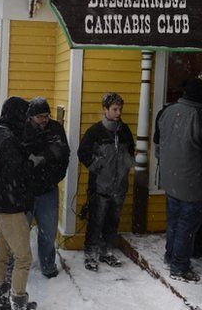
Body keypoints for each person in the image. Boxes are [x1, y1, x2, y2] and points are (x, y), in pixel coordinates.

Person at [156, 79, 202, 283]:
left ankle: (171, 256)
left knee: (174, 221)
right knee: (187, 225)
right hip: (192, 183)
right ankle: (179, 266)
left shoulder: (166, 111)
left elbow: (158, 145)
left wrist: (169, 166)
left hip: (170, 180)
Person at [0, 96, 38, 310]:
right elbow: (16, 172)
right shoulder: (7, 138)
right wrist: (33, 162)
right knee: (23, 257)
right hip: (11, 206)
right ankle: (19, 301)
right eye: (25, 115)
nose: (27, 120)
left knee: (2, 253)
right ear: (17, 114)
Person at [77, 92, 135, 272]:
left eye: (120, 109)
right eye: (115, 109)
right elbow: (83, 152)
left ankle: (107, 251)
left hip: (119, 186)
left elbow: (131, 151)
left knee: (113, 221)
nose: (118, 113)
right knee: (96, 220)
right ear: (105, 110)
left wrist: (127, 165)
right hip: (100, 186)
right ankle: (91, 253)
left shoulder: (124, 130)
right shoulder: (95, 131)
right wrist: (97, 166)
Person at [23, 97, 70, 279]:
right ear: (31, 117)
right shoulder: (23, 130)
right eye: (41, 116)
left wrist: (56, 175)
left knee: (48, 232)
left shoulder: (55, 129)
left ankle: (48, 265)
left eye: (47, 115)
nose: (45, 119)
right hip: (26, 190)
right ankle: (14, 267)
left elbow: (64, 153)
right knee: (20, 233)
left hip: (48, 188)